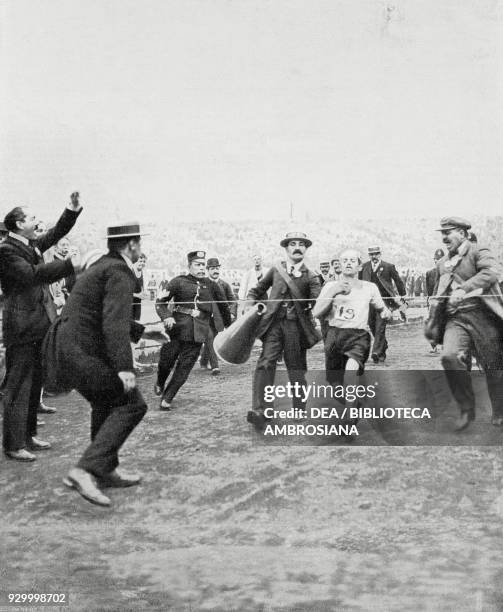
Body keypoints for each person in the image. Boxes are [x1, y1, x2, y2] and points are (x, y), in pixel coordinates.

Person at [46, 222, 149, 506]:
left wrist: (142, 331)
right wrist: (125, 368)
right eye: (139, 243)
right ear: (131, 245)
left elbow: (99, 312)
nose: (141, 248)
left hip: (67, 348)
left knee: (105, 403)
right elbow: (112, 322)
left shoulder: (102, 266)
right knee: (131, 404)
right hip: (83, 351)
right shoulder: (120, 271)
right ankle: (85, 469)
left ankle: (104, 470)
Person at [0, 192, 82, 462]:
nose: (37, 222)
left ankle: (28, 436)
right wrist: (70, 264)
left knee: (34, 384)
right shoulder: (7, 251)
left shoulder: (28, 244)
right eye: (32, 218)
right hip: (22, 329)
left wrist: (71, 210)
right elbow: (30, 275)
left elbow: (56, 233)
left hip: (37, 326)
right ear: (18, 224)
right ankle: (13, 445)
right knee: (18, 387)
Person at [432, 217, 503, 431]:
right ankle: (466, 408)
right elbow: (439, 292)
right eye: (442, 233)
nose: (444, 237)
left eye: (448, 232)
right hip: (457, 320)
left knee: (494, 368)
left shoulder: (479, 251)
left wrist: (465, 288)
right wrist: (433, 322)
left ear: (462, 233)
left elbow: (492, 272)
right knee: (449, 357)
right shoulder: (442, 263)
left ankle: (499, 410)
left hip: (484, 316)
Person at [246, 232, 321, 427]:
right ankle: (260, 410)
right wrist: (249, 305)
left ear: (306, 249)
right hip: (273, 326)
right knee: (265, 363)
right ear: (286, 248)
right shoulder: (276, 270)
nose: (297, 247)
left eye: (301, 244)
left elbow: (317, 301)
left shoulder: (311, 276)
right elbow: (257, 289)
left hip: (295, 328)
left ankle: (298, 408)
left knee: (296, 370)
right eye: (293, 244)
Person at [313, 249, 391, 410]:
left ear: (360, 266)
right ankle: (355, 403)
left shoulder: (369, 287)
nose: (348, 263)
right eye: (345, 260)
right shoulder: (330, 286)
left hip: (358, 336)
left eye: (352, 260)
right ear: (339, 265)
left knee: (350, 372)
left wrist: (385, 312)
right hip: (334, 336)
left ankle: (349, 414)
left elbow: (381, 307)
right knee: (335, 386)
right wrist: (334, 292)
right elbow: (317, 312)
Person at [155, 251, 231, 410]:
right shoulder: (178, 282)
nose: (202, 268)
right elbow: (160, 302)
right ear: (189, 266)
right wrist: (166, 316)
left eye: (203, 265)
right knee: (166, 362)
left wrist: (228, 327)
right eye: (198, 265)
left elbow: (223, 306)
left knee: (184, 367)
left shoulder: (212, 285)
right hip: (176, 330)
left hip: (198, 332)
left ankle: (167, 398)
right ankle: (160, 382)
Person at [359, 246, 406, 363]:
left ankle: (376, 352)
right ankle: (383, 346)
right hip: (369, 302)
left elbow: (398, 281)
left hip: (384, 302)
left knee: (380, 327)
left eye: (376, 254)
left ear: (380, 254)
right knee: (372, 325)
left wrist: (402, 295)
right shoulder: (364, 267)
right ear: (369, 255)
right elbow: (359, 284)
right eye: (371, 254)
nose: (374, 256)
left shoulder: (388, 266)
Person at [200, 257, 237, 375]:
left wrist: (231, 313)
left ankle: (203, 361)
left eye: (217, 268)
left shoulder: (224, 285)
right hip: (205, 317)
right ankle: (215, 366)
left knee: (211, 338)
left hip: (219, 318)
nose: (215, 271)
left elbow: (233, 301)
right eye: (212, 269)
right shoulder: (202, 284)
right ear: (207, 270)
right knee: (210, 338)